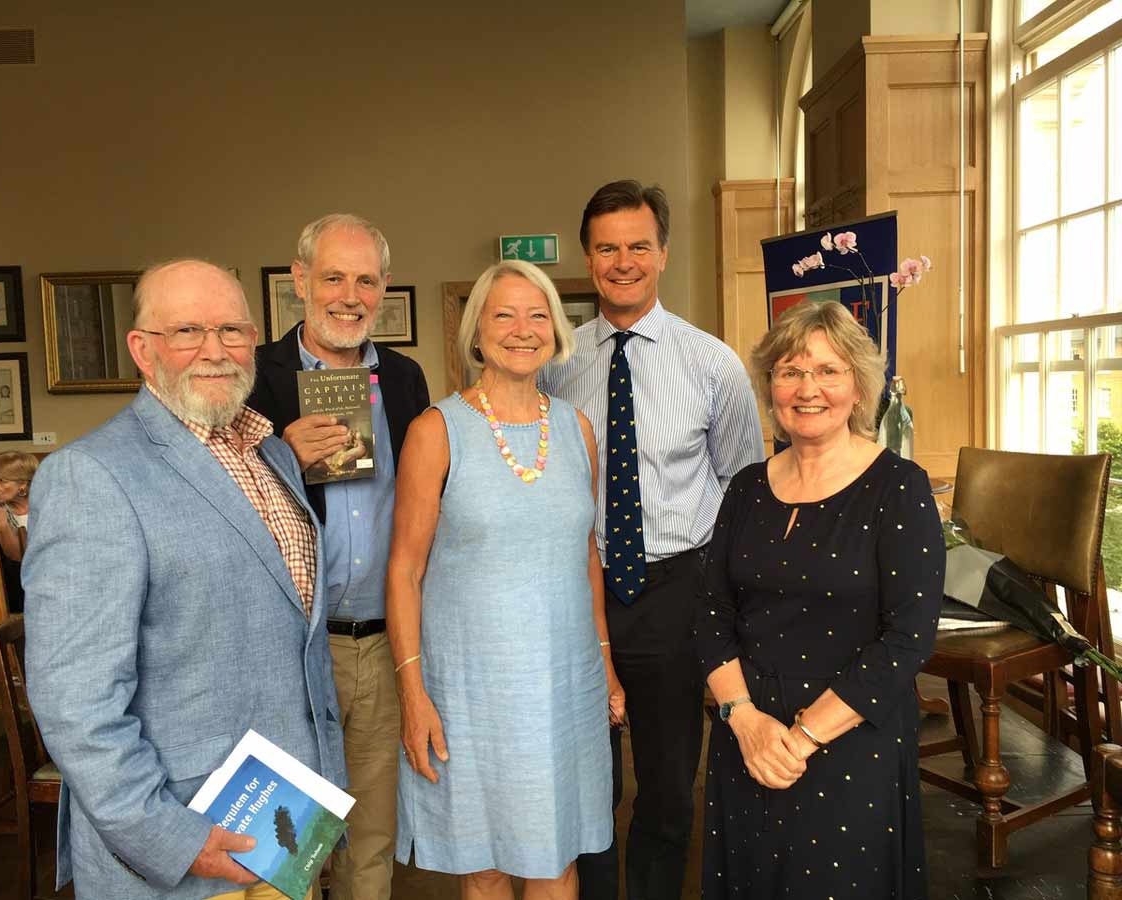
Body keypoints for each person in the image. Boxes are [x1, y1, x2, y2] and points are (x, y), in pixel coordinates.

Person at [25, 259, 345, 900]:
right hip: (183, 839)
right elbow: (75, 700)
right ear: (142, 350)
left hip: (282, 821)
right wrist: (169, 837)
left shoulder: (272, 453)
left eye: (232, 330)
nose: (215, 350)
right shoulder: (91, 475)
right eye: (188, 331)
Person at [539, 180, 764, 900]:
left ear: (663, 252)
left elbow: (742, 487)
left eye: (639, 245)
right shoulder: (552, 366)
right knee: (589, 786)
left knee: (668, 787)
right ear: (588, 256)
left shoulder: (712, 364)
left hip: (677, 592)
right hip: (579, 594)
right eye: (607, 247)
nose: (624, 260)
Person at [387, 260, 621, 899]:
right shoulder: (436, 430)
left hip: (564, 684)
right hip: (469, 691)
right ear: (477, 331)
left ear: (556, 329)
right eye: (504, 315)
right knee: (486, 866)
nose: (523, 329)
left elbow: (585, 555)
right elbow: (405, 570)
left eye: (538, 313)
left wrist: (605, 663)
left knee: (555, 860)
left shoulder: (576, 428)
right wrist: (413, 696)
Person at [696, 300, 943, 899]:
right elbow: (710, 615)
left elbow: (908, 638)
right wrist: (744, 720)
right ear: (771, 387)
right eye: (790, 371)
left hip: (851, 737)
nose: (808, 388)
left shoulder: (898, 487)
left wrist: (801, 738)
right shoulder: (746, 487)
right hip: (748, 735)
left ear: (858, 388)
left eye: (828, 371)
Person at [247, 213, 429, 900]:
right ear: (299, 281)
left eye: (365, 280)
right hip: (291, 648)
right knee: (286, 841)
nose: (348, 295)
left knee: (371, 836)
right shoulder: (254, 378)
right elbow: (216, 502)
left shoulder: (407, 380)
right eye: (332, 277)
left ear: (382, 288)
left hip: (381, 646)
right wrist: (280, 457)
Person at [0, 450, 38, 562]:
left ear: (23, 484)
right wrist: (2, 525)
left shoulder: (48, 503)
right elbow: (16, 557)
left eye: (1, 481)